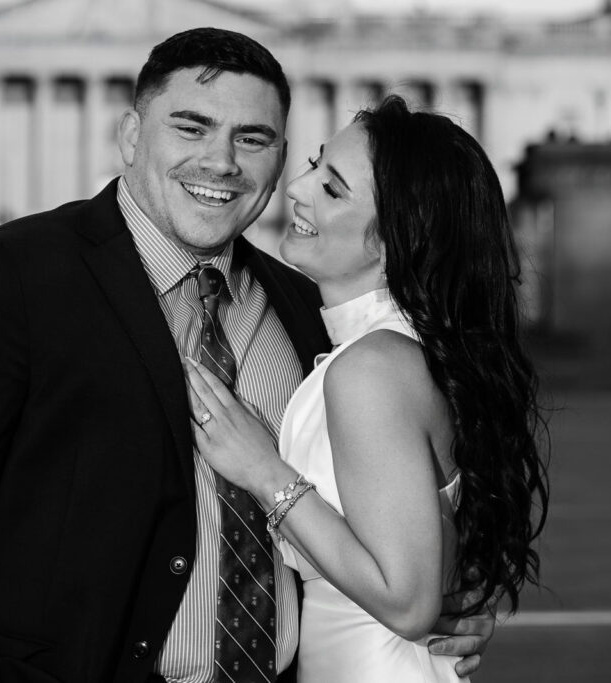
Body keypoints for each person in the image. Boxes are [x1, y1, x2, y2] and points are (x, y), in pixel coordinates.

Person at [0, 29, 493, 683]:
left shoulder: (309, 309)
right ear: (132, 136)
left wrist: (446, 599)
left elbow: (390, 493)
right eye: (191, 127)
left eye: (253, 138)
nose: (221, 162)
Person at [184, 95, 549, 682]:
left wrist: (263, 470)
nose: (297, 190)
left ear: (392, 239)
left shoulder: (371, 367)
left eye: (333, 189)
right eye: (313, 164)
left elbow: (407, 602)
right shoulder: (395, 351)